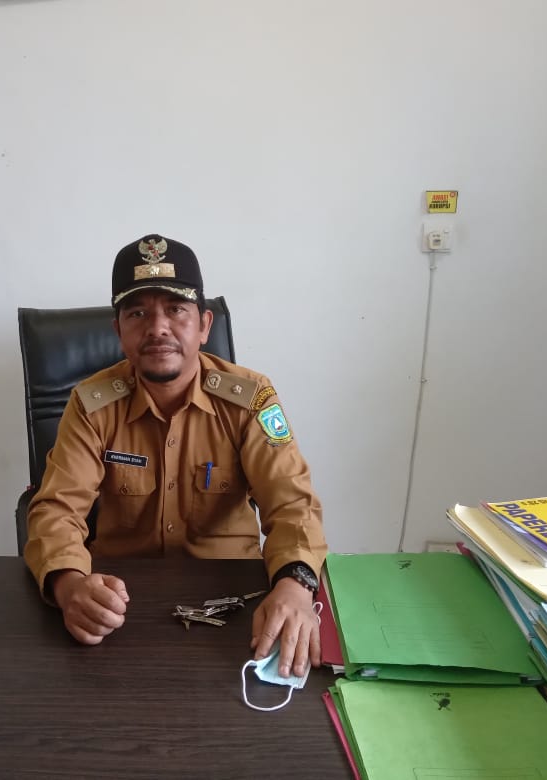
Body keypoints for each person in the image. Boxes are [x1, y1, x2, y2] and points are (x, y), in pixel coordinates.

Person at [24, 234, 328, 678]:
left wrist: (296, 585)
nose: (157, 328)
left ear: (204, 325)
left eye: (175, 309)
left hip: (234, 602)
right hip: (118, 605)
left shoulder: (250, 399)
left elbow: (292, 504)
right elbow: (56, 509)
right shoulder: (92, 405)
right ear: (118, 330)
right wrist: (69, 584)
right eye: (137, 313)